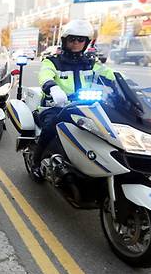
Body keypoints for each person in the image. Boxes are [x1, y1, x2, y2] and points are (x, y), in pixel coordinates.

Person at [31, 19, 114, 177]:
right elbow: (45, 74)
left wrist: (132, 86)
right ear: (65, 40)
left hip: (86, 107)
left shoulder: (91, 64)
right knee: (50, 127)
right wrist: (52, 87)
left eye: (81, 39)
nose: (76, 42)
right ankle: (36, 160)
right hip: (55, 107)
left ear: (86, 42)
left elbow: (111, 75)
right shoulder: (53, 62)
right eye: (72, 39)